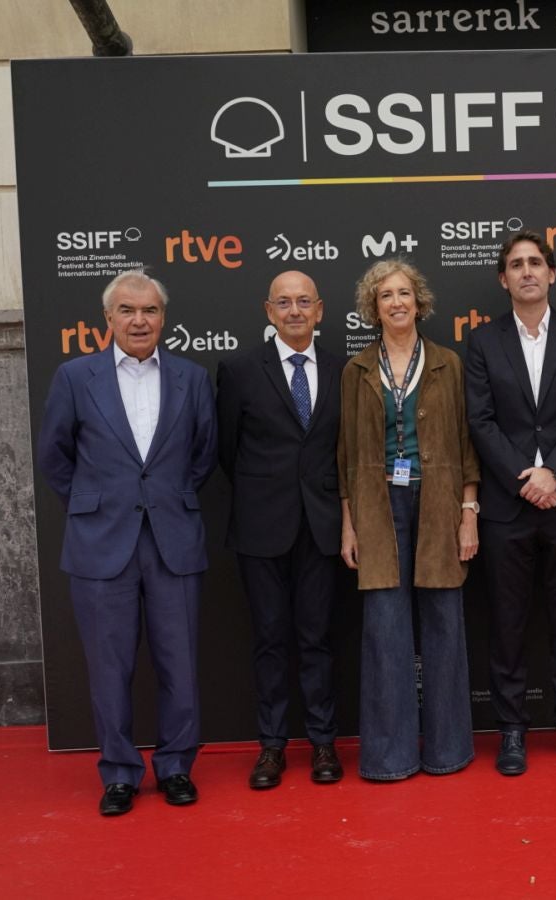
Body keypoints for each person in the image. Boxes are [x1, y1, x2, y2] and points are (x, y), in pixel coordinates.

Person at [36, 269, 217, 815]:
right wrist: (93, 507)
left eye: (150, 311)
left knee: (179, 663)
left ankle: (176, 767)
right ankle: (118, 773)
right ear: (108, 318)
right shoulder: (74, 377)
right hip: (100, 544)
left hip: (173, 541)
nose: (140, 320)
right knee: (108, 666)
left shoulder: (191, 377)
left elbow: (203, 457)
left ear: (164, 318)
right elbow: (54, 457)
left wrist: (165, 501)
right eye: (128, 311)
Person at [464, 230, 556, 775]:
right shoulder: (482, 342)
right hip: (507, 504)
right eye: (516, 265)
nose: (526, 272)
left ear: (552, 274)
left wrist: (554, 474)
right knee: (507, 620)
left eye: (535, 263)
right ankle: (512, 730)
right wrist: (524, 478)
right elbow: (480, 421)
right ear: (503, 279)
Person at [338, 259, 479, 780]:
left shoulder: (448, 363)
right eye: (384, 296)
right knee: (384, 629)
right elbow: (347, 455)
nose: (396, 303)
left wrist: (469, 513)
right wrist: (349, 523)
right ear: (373, 309)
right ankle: (388, 757)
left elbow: (467, 445)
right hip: (377, 508)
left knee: (444, 624)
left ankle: (448, 751)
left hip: (440, 504)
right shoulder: (356, 370)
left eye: (403, 294)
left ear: (418, 302)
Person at [216, 270, 345, 789]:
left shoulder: (344, 369)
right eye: (284, 303)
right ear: (268, 311)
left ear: (320, 311)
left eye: (304, 302)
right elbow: (227, 451)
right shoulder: (240, 369)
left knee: (316, 640)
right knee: (270, 640)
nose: (295, 311)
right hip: (260, 527)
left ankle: (322, 744)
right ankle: (271, 747)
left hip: (322, 527)